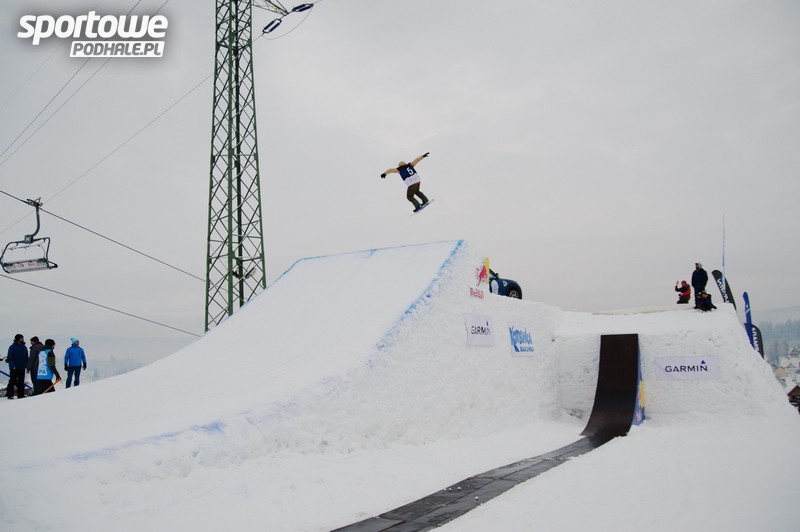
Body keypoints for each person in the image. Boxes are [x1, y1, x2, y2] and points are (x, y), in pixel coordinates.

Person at [5, 334, 28, 399]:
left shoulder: (24, 347)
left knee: (21, 382)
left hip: (22, 367)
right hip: (14, 368)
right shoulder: (12, 347)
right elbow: (10, 357)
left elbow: (26, 357)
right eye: (21, 338)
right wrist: (12, 366)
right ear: (18, 339)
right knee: (12, 381)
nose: (23, 339)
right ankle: (10, 395)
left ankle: (21, 395)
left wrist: (27, 366)